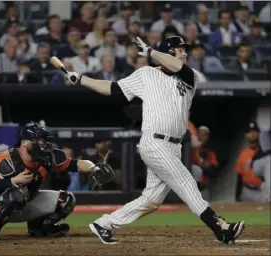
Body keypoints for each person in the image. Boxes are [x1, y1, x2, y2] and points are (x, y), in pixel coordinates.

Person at [63, 36, 245, 244]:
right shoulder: (146, 74)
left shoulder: (190, 76)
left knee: (151, 200)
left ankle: (103, 224)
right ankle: (220, 227)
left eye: (185, 50)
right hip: (154, 142)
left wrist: (150, 52)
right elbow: (112, 89)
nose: (185, 53)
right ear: (168, 52)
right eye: (180, 50)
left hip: (174, 146)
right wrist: (82, 79)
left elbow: (175, 66)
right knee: (186, 181)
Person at [0, 122, 115, 241]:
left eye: (44, 140)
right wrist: (13, 180)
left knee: (67, 200)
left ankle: (39, 228)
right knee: (18, 191)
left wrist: (94, 168)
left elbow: (77, 164)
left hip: (27, 200)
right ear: (24, 142)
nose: (43, 144)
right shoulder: (7, 159)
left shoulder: (47, 158)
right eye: (38, 140)